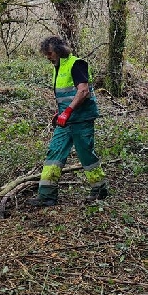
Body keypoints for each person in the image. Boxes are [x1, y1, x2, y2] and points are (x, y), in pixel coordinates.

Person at [29, 36, 108, 207]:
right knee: (54, 152)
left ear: (58, 50)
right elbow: (66, 95)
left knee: (85, 154)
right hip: (66, 119)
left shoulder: (76, 64)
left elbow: (83, 91)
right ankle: (47, 195)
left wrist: (68, 112)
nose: (48, 57)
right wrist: (60, 113)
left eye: (49, 53)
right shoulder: (58, 67)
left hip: (82, 118)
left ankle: (99, 188)